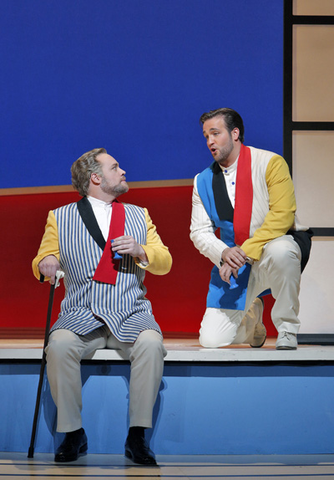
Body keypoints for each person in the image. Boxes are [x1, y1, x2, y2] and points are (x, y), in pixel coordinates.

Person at [32, 148, 172, 465]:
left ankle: (138, 436)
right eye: (115, 167)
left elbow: (164, 262)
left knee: (151, 344)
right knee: (59, 345)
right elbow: (41, 259)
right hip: (81, 315)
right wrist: (47, 262)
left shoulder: (140, 214)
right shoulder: (60, 216)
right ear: (96, 177)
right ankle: (72, 433)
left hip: (131, 313)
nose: (123, 171)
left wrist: (140, 250)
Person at [190, 108, 312, 351]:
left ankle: (287, 328)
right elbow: (199, 232)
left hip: (271, 249)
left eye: (215, 133)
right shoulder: (202, 180)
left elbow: (282, 215)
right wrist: (224, 254)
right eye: (206, 136)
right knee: (211, 340)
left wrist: (244, 252)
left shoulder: (270, 163)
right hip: (234, 261)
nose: (209, 141)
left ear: (235, 133)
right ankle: (253, 320)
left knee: (282, 251)